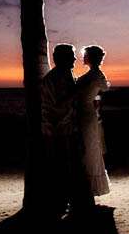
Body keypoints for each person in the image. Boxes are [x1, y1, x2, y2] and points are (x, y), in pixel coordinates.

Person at [41, 43, 95, 216]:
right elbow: (57, 105)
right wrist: (77, 90)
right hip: (58, 131)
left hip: (67, 129)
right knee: (63, 168)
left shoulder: (65, 75)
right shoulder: (53, 79)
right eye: (71, 55)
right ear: (63, 58)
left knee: (70, 166)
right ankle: (63, 204)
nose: (74, 58)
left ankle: (71, 203)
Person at [76, 44, 111, 196]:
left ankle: (90, 187)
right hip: (82, 112)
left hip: (87, 114)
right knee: (84, 148)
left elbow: (102, 90)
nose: (83, 57)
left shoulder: (96, 75)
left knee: (89, 149)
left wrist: (95, 99)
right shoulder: (93, 74)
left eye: (85, 55)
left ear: (91, 58)